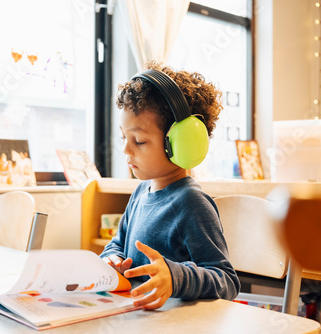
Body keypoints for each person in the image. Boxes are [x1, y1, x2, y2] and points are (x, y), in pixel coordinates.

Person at [100, 60, 240, 310]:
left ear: (180, 143)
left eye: (139, 141)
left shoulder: (192, 203)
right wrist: (112, 259)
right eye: (123, 137)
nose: (125, 149)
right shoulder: (141, 192)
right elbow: (117, 244)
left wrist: (175, 278)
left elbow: (226, 280)